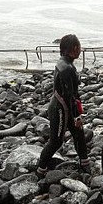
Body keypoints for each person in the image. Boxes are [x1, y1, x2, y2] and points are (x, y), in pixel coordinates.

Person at [37, 34, 89, 175]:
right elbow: (70, 96)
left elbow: (72, 95)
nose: (80, 50)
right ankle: (41, 169)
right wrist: (77, 117)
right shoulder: (68, 69)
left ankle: (85, 163)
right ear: (74, 48)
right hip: (60, 109)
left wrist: (77, 112)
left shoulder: (63, 62)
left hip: (62, 106)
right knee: (56, 141)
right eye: (79, 47)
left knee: (79, 135)